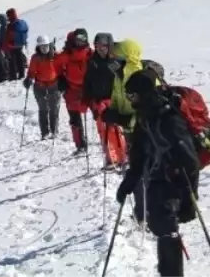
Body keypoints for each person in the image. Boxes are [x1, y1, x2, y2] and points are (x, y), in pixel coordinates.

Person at [115, 69, 201, 277]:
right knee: (157, 224)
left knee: (165, 225)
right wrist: (131, 179)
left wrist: (190, 200)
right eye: (128, 96)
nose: (130, 100)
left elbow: (190, 161)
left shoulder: (168, 119)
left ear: (144, 94)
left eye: (132, 95)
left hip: (176, 179)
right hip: (157, 175)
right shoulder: (146, 115)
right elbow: (140, 150)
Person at [82, 32, 130, 169]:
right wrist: (87, 97)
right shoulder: (92, 62)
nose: (99, 49)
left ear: (109, 45)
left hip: (114, 99)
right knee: (103, 130)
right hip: (98, 101)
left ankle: (123, 158)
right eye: (97, 46)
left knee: (115, 130)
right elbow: (87, 81)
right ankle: (110, 158)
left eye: (103, 46)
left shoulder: (117, 61)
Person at [54, 28, 92, 155]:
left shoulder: (90, 53)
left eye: (83, 39)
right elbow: (56, 63)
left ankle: (108, 145)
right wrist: (60, 77)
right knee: (75, 119)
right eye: (77, 40)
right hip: (72, 89)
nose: (80, 42)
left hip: (89, 88)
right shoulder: (67, 54)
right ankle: (80, 145)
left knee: (101, 117)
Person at [24, 36, 60, 139]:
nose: (44, 48)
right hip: (40, 86)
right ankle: (45, 132)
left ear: (49, 45)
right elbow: (32, 71)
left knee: (54, 109)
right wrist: (29, 79)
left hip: (54, 85)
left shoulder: (55, 55)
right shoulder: (36, 58)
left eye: (46, 46)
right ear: (38, 47)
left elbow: (62, 66)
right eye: (41, 46)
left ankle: (54, 131)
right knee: (43, 109)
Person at [1, 8, 29, 81]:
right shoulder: (21, 22)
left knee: (12, 61)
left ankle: (13, 76)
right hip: (20, 44)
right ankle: (21, 74)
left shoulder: (10, 25)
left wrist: (4, 47)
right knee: (19, 59)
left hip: (12, 45)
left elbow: (7, 37)